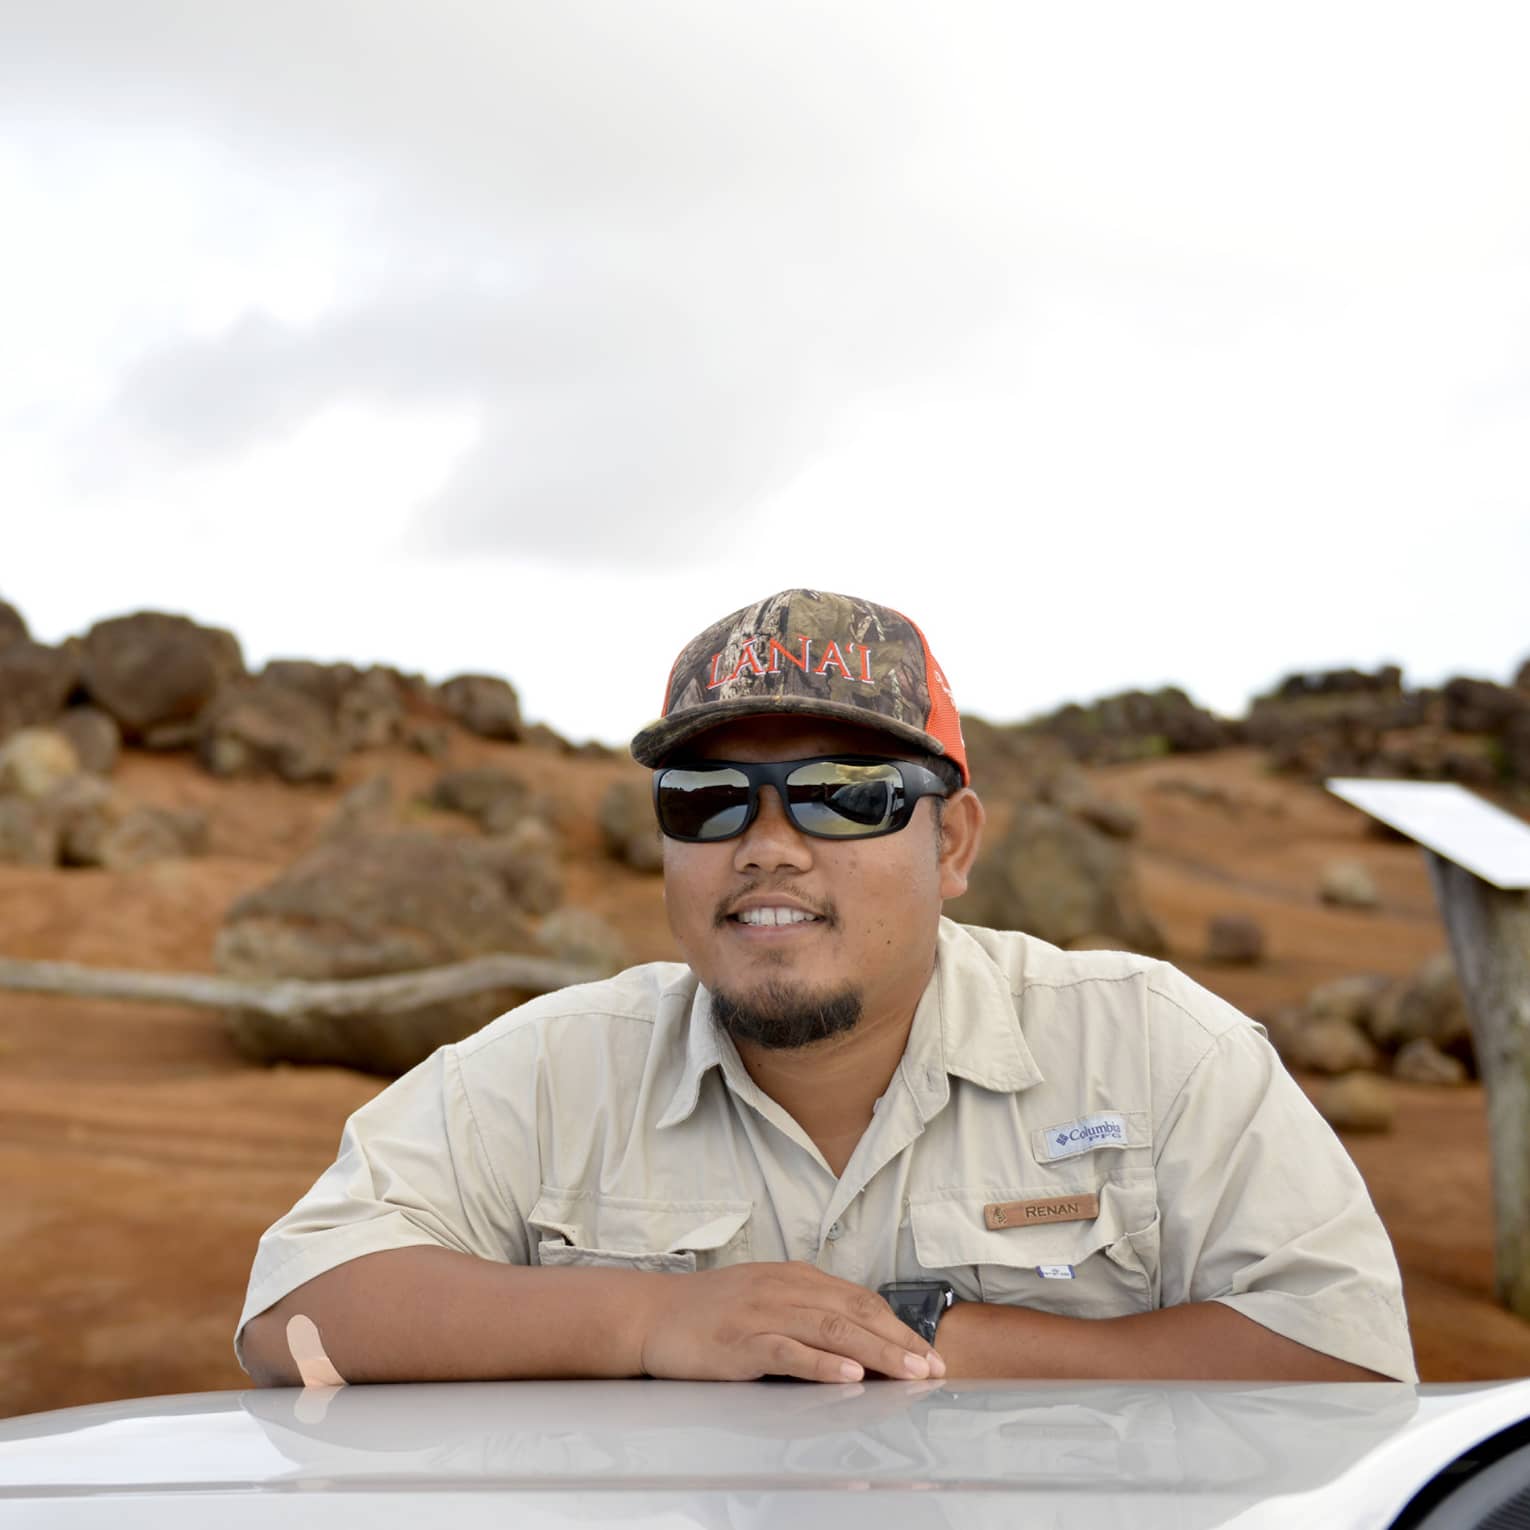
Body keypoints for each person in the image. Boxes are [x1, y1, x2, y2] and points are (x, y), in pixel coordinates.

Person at [237, 588, 1416, 1386]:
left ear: (953, 842)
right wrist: (653, 1322)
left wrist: (927, 1341)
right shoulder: (554, 1068)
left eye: (843, 794)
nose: (766, 844)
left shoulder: (1157, 1052)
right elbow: (297, 1308)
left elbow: (1352, 1361)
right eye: (706, 800)